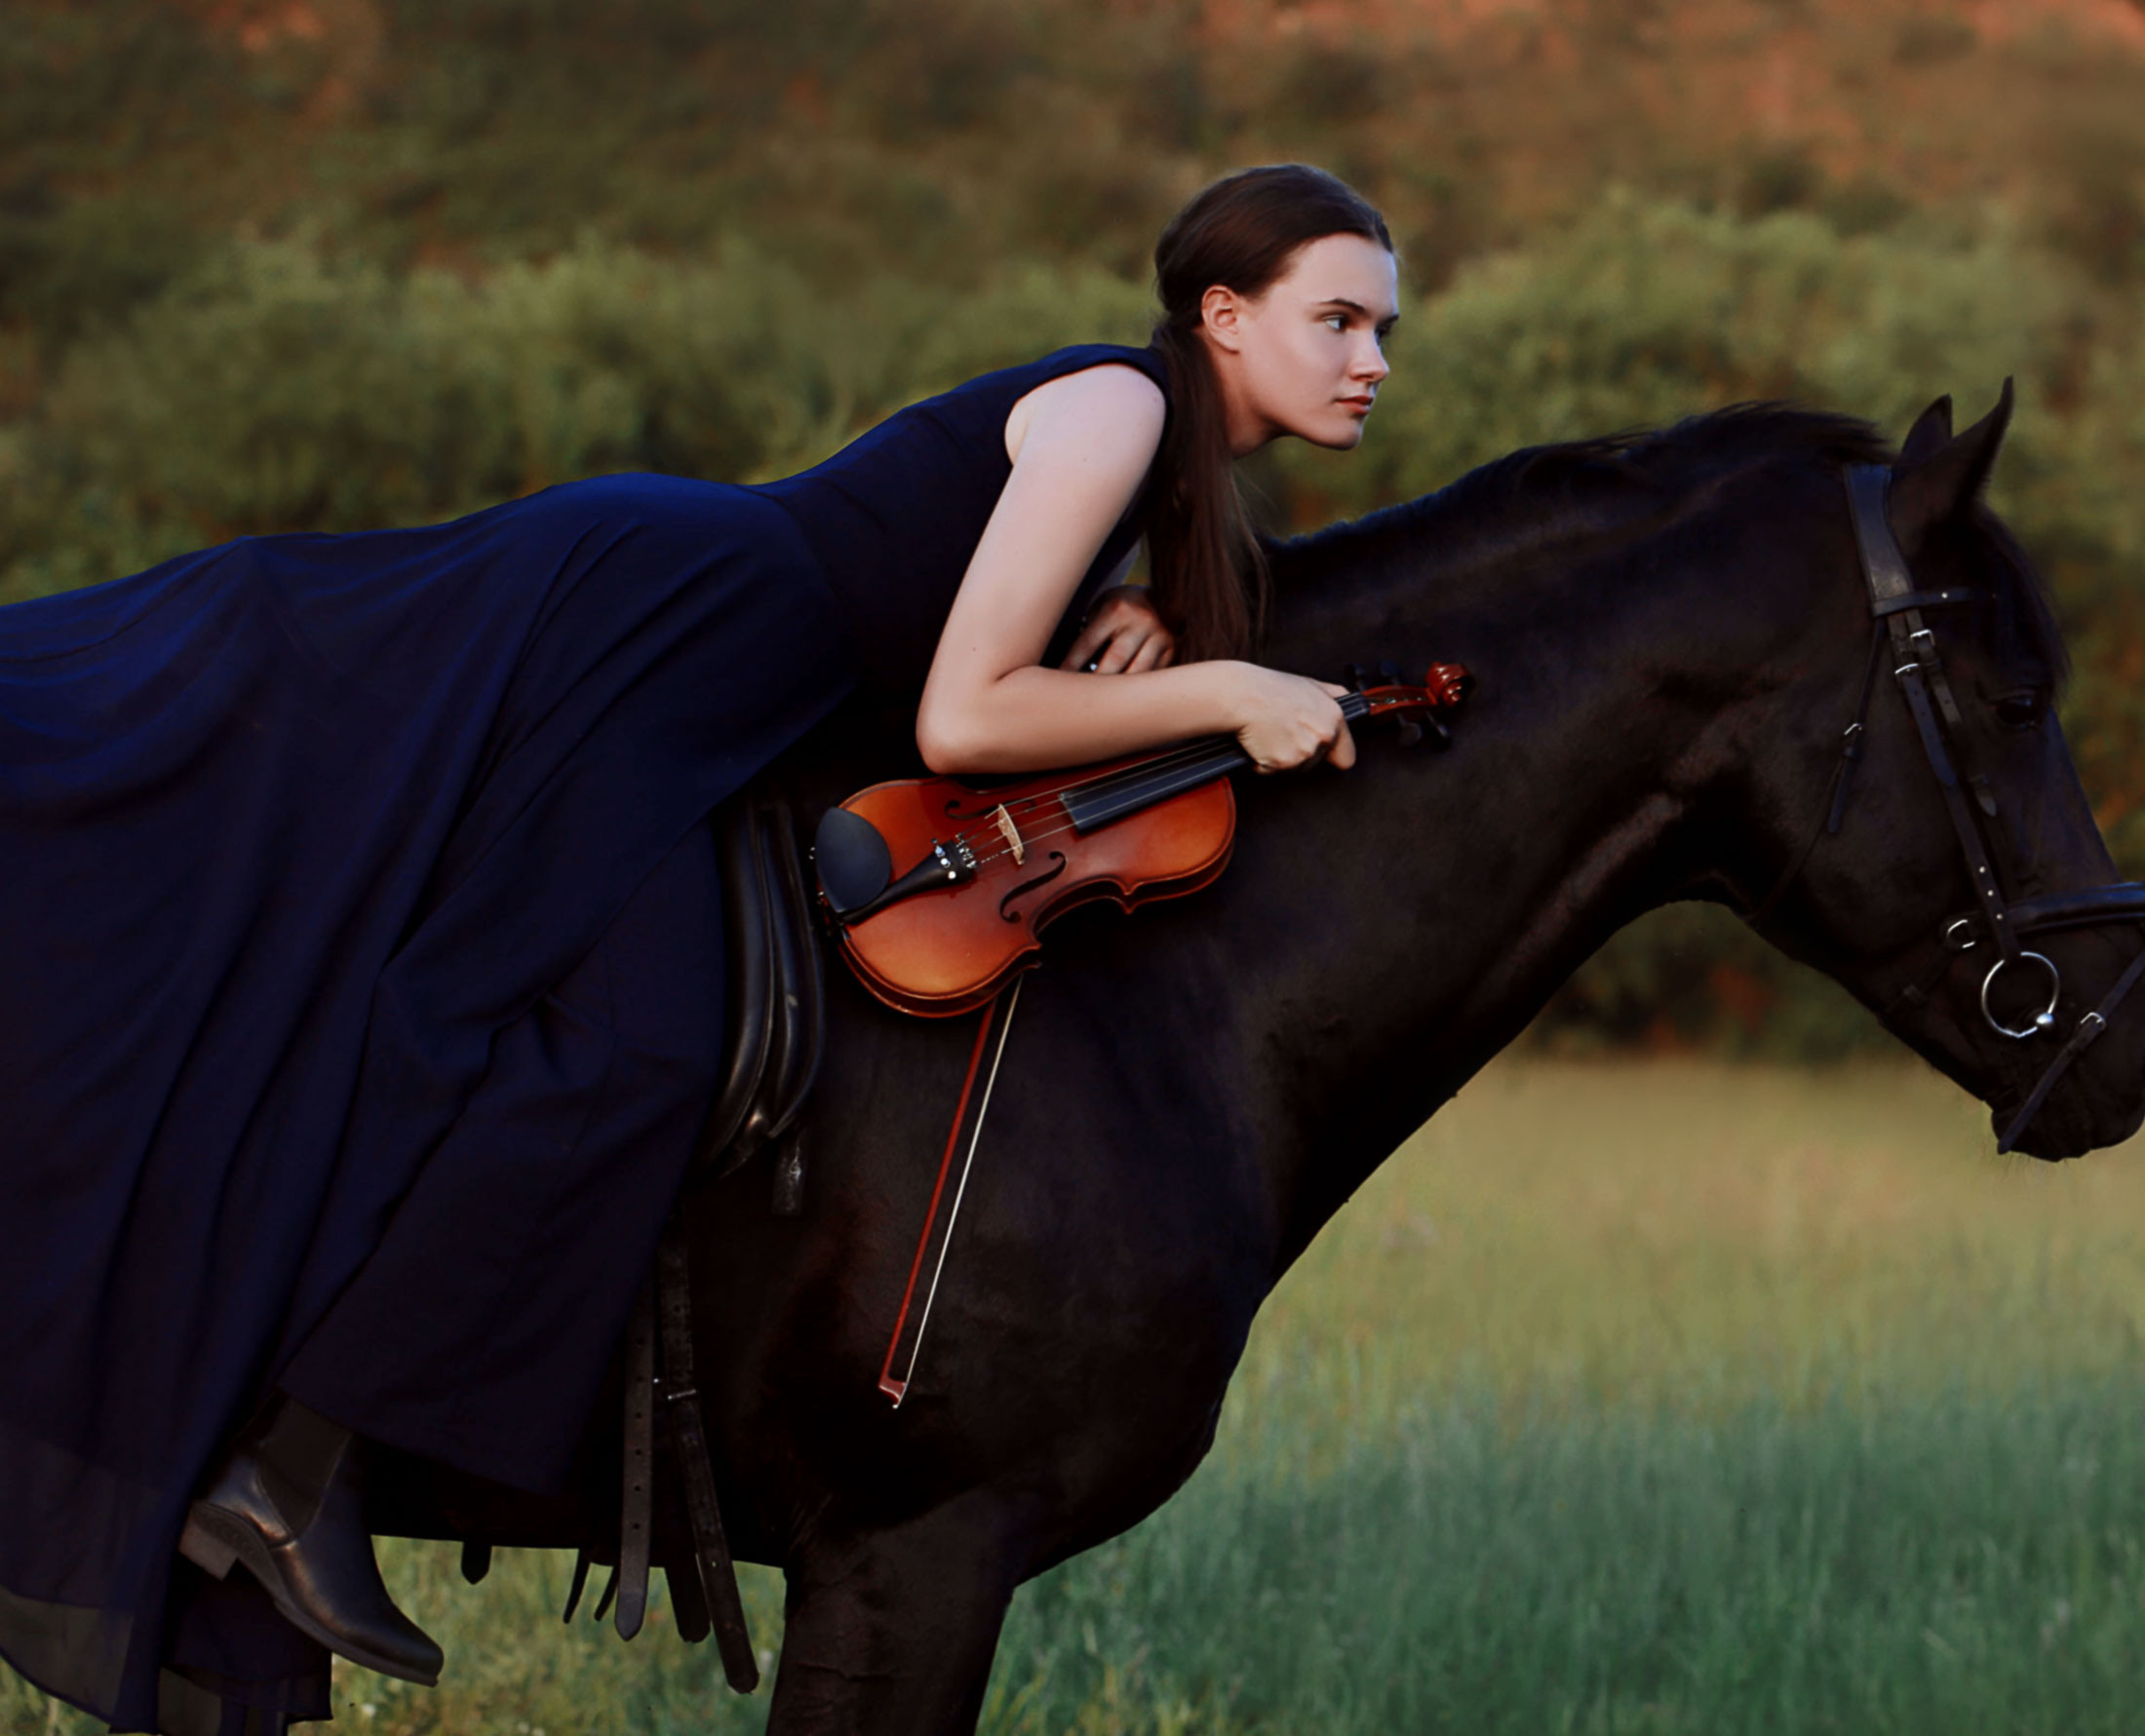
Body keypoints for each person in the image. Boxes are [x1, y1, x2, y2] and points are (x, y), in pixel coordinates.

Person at [0, 163, 1397, 1732]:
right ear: (1224, 314)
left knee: (616, 1031)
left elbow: (979, 646)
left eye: (1383, 330)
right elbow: (966, 713)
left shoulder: (1160, 473)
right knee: (624, 1036)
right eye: (1336, 316)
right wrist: (1227, 694)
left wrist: (1148, 617)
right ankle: (287, 1460)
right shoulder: (1122, 411)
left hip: (726, 679)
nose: (1371, 361)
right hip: (670, 637)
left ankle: (293, 1467)